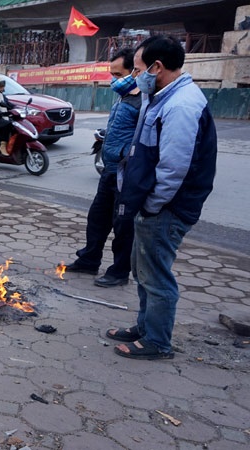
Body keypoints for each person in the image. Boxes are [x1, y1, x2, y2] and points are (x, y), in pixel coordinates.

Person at [110, 35, 218, 360]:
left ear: (157, 67)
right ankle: (145, 328)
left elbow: (174, 168)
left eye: (139, 69)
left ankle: (157, 342)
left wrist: (153, 206)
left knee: (156, 276)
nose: (134, 77)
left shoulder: (182, 105)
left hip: (166, 209)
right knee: (143, 270)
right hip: (152, 205)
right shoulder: (161, 96)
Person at [65, 48, 141, 288]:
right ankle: (89, 260)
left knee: (123, 225)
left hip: (125, 173)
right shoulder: (123, 97)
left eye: (119, 74)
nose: (114, 79)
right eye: (112, 74)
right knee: (97, 218)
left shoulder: (144, 103)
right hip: (109, 170)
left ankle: (119, 272)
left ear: (135, 72)